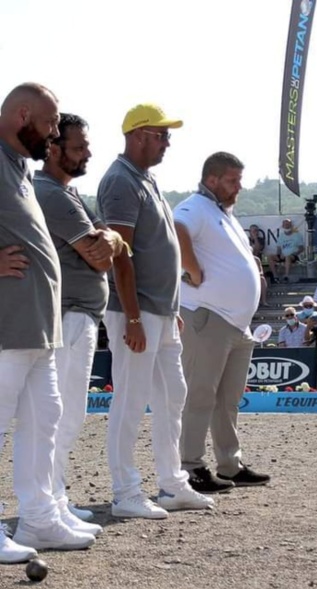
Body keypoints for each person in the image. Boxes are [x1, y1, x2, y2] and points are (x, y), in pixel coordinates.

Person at [98, 103, 214, 517]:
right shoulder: (120, 181)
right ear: (138, 134)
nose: (168, 142)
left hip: (159, 311)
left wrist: (169, 309)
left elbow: (156, 251)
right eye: (162, 134)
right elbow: (120, 253)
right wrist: (132, 315)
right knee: (130, 399)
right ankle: (125, 491)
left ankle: (172, 484)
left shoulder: (145, 179)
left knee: (172, 396)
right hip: (138, 311)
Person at [0, 83, 97, 561]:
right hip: (7, 324)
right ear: (23, 115)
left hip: (39, 323)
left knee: (45, 422)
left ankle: (40, 519)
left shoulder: (18, 166)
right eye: (51, 123)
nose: (56, 133)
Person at [34, 113, 124, 531]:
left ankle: (55, 498)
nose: (88, 153)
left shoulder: (62, 193)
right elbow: (100, 254)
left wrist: (105, 235)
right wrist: (114, 237)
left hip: (75, 313)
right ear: (53, 149)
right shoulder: (52, 194)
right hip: (69, 314)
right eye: (79, 146)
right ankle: (48, 505)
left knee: (64, 414)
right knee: (62, 415)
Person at [173, 151, 271, 494]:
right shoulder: (196, 207)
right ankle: (190, 465)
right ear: (211, 179)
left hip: (234, 322)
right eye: (232, 180)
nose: (238, 187)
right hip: (207, 316)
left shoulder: (222, 213)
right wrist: (192, 271)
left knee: (228, 399)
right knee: (200, 393)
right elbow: (176, 228)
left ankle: (230, 464)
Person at [267, 218, 304, 283]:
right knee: (270, 257)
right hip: (283, 256)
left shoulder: (297, 235)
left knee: (288, 257)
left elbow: (301, 248)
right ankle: (275, 276)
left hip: (293, 256)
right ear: (283, 226)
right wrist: (279, 255)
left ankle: (286, 276)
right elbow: (279, 248)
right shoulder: (281, 236)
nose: (286, 226)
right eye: (285, 224)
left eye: (288, 224)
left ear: (291, 225)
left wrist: (295, 253)